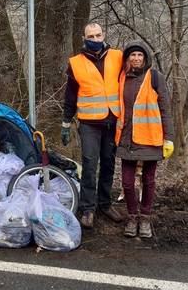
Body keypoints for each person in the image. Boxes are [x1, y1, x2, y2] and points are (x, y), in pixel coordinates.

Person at [61, 22, 124, 229]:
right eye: (91, 36)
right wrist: (66, 121)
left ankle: (105, 204)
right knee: (89, 165)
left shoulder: (117, 56)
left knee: (108, 163)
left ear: (103, 35)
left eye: (98, 35)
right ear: (84, 38)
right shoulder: (76, 63)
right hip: (89, 123)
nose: (96, 40)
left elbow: (129, 80)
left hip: (112, 120)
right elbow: (70, 94)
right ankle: (88, 208)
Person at [115, 41, 175, 238]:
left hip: (151, 138)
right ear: (127, 59)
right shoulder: (122, 78)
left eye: (140, 55)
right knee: (127, 183)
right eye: (132, 55)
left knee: (149, 181)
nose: (136, 58)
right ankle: (132, 218)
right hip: (127, 139)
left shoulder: (155, 77)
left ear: (145, 58)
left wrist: (169, 138)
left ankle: (146, 219)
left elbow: (165, 109)